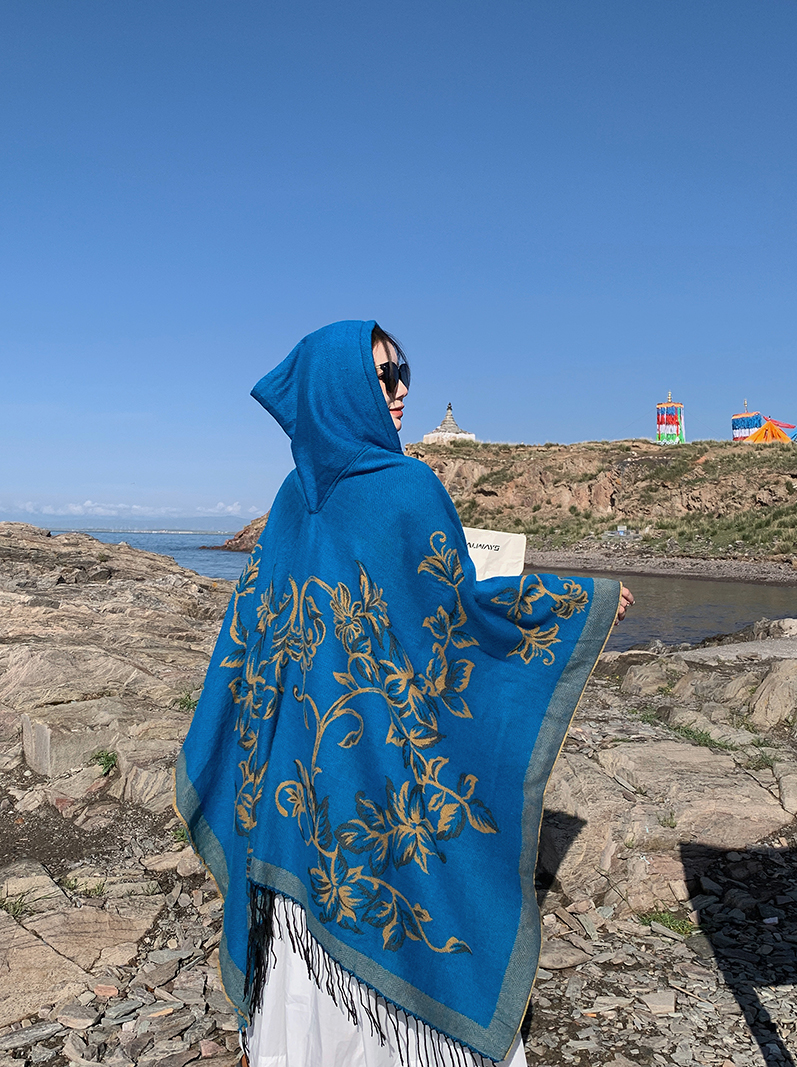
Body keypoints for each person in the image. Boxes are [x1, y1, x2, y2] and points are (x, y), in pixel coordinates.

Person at [176, 320, 633, 1067]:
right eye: (382, 376)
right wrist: (576, 604)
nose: (400, 390)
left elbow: (253, 637)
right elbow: (461, 625)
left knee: (298, 982)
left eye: (402, 372)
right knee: (401, 900)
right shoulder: (407, 488)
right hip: (369, 769)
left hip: (290, 786)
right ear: (340, 388)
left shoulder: (294, 497)